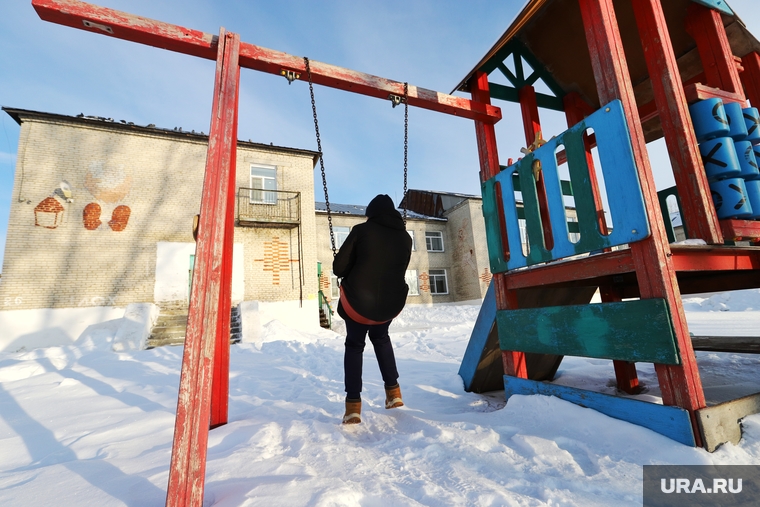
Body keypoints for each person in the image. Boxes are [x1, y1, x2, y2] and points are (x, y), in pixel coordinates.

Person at [333, 194, 413, 424]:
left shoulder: (361, 231)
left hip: (358, 303)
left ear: (372, 214)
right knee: (381, 338)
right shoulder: (406, 238)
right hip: (390, 305)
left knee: (355, 345)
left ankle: (353, 407)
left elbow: (339, 268)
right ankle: (393, 393)